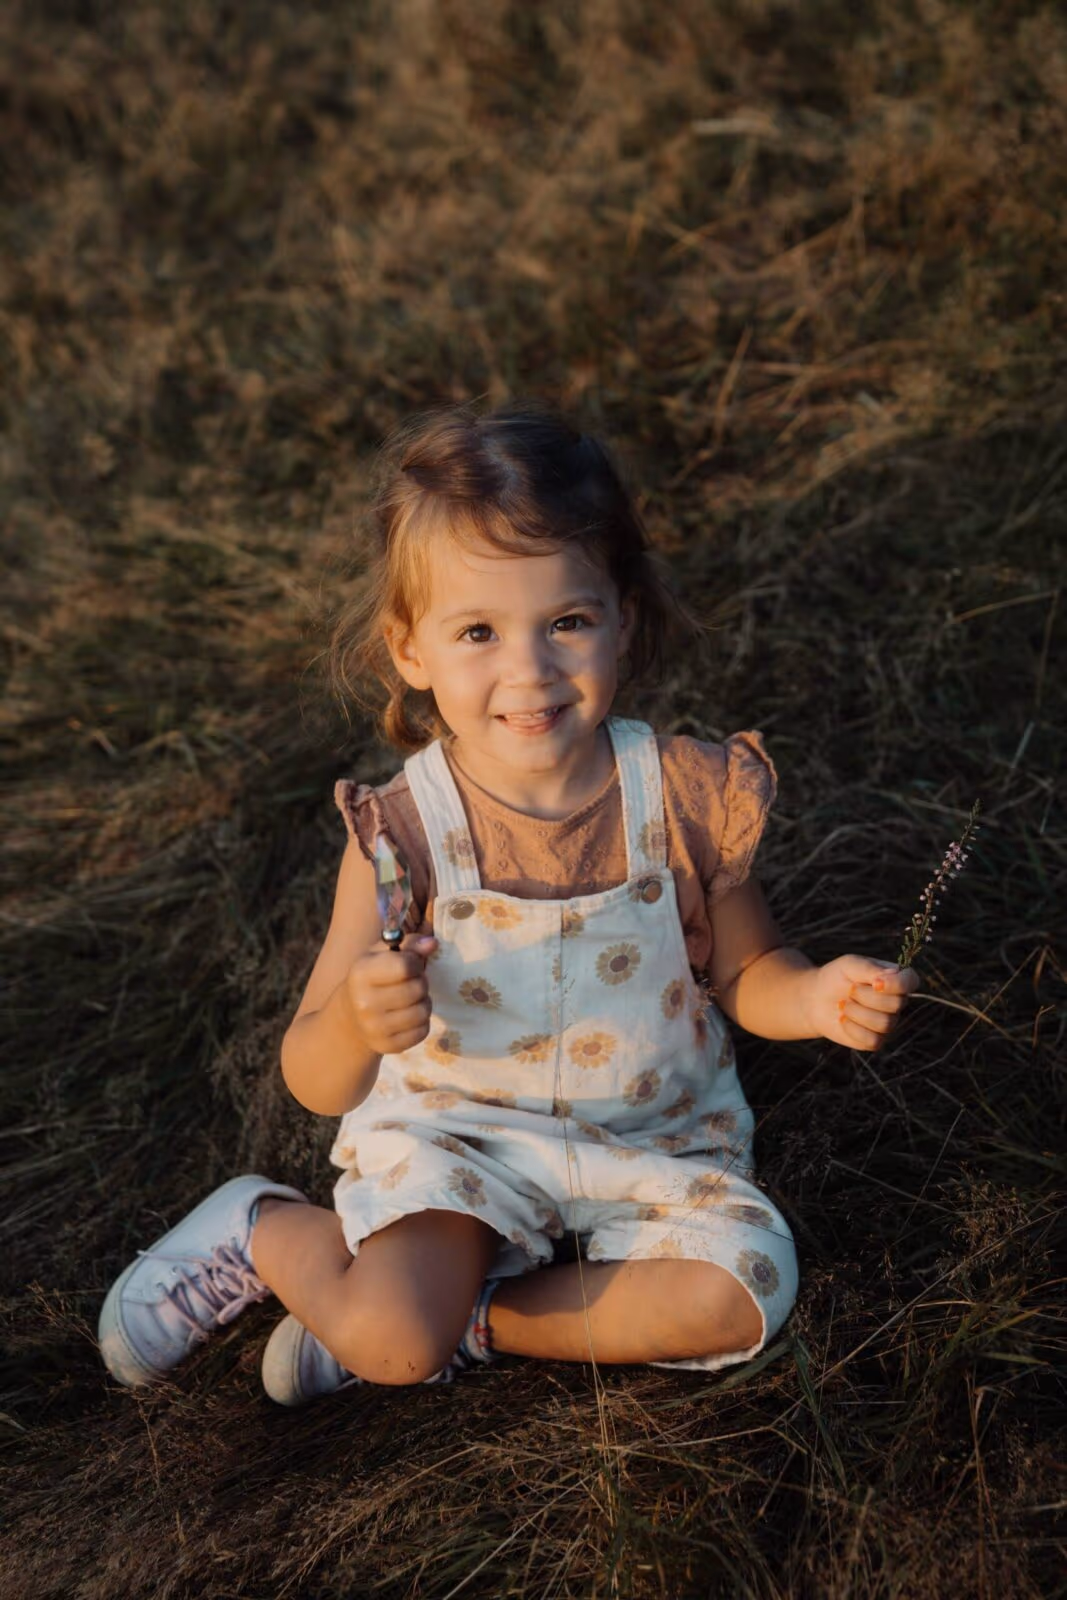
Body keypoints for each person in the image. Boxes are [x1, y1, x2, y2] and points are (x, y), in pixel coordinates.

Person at [98, 399, 920, 1403]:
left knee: (744, 1294)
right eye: (477, 631)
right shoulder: (402, 838)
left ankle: (479, 1322)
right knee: (392, 1342)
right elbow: (315, 1075)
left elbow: (747, 970)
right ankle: (265, 1230)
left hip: (647, 1136)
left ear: (619, 615)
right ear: (411, 649)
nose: (527, 670)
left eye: (564, 622)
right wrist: (360, 1020)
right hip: (462, 1137)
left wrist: (816, 998)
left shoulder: (682, 797)